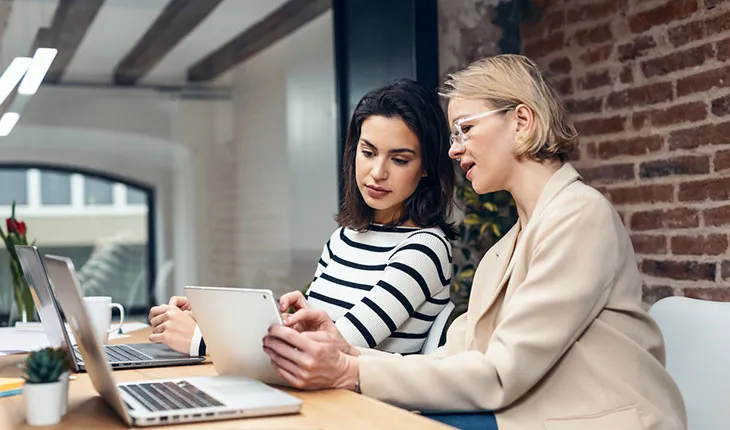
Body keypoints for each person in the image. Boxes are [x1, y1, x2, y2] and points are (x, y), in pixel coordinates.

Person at [261, 55, 687, 430]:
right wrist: (348, 354)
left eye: (464, 129)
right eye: (452, 135)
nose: (452, 150)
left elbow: (500, 374)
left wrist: (347, 372)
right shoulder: (509, 244)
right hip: (533, 412)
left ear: (521, 121)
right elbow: (457, 356)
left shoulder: (579, 216)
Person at [148, 78, 457, 356]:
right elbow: (309, 335)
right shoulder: (344, 239)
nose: (378, 172)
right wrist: (212, 321)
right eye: (368, 152)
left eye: (399, 159)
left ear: (426, 166)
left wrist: (201, 340)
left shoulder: (424, 250)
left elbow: (333, 350)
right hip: (313, 396)